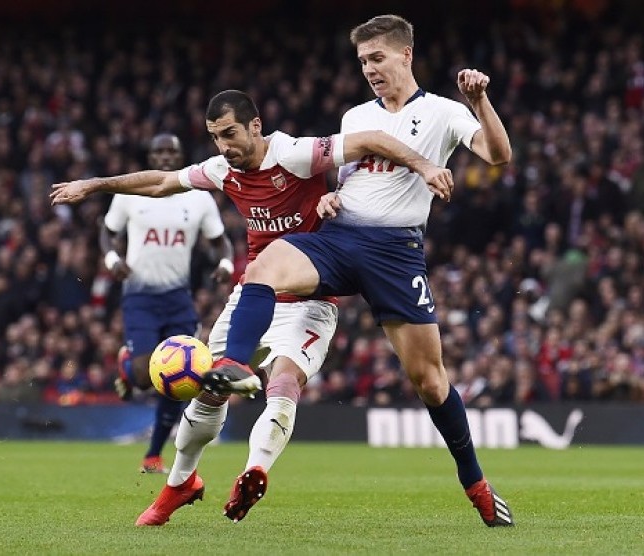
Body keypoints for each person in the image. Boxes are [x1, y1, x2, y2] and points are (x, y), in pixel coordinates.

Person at [51, 89, 452, 526]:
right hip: (251, 298)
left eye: (230, 134)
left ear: (255, 126)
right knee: (209, 389)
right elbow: (163, 183)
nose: (223, 146)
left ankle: (254, 470)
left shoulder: (296, 155)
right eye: (215, 137)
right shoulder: (223, 171)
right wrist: (96, 185)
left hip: (309, 299)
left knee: (284, 381)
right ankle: (180, 484)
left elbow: (371, 138)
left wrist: (426, 165)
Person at [210, 15, 515, 527]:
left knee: (430, 382)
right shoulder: (354, 117)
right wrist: (330, 196)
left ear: (406, 55)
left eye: (377, 59)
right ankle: (238, 365)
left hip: (396, 254)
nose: (370, 69)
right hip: (341, 239)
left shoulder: (442, 112)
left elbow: (498, 155)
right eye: (363, 62)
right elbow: (345, 179)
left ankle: (476, 483)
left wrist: (478, 101)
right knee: (262, 266)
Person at [103, 132, 234, 473]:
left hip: (178, 298)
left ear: (179, 157)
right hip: (139, 295)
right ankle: (127, 366)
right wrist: (112, 260)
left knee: (180, 381)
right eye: (158, 151)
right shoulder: (129, 193)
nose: (164, 157)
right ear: (150, 157)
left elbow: (221, 242)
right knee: (146, 378)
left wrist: (225, 264)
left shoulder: (199, 197)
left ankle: (153, 454)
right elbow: (107, 232)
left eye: (170, 152)